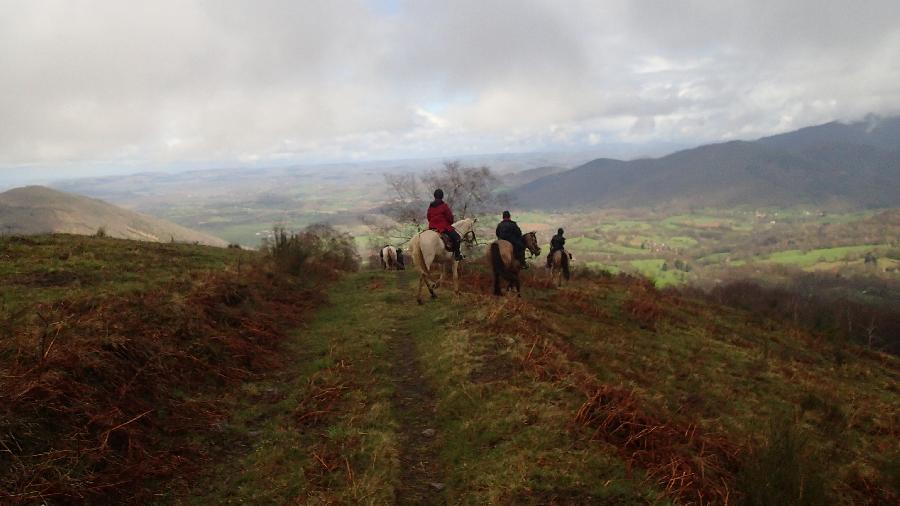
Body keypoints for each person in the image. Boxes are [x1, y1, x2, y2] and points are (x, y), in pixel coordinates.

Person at [427, 189, 464, 261]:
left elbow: (428, 217)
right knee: (457, 238)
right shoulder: (444, 206)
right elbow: (450, 217)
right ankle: (457, 255)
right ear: (442, 196)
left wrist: (432, 223)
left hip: (432, 227)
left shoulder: (431, 206)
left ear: (434, 196)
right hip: (442, 227)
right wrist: (449, 223)